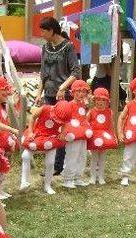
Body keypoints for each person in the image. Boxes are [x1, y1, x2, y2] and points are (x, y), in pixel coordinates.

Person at [34, 17, 81, 175]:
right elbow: (43, 73)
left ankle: (58, 165)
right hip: (48, 93)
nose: (41, 34)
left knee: (62, 128)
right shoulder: (45, 47)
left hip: (63, 96)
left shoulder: (68, 47)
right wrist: (38, 92)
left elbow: (76, 71)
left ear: (52, 30)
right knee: (49, 128)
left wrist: (62, 87)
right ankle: (50, 164)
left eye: (43, 31)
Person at [20, 100, 72, 195]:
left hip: (51, 138)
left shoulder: (64, 117)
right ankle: (24, 181)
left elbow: (65, 125)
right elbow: (32, 117)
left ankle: (47, 185)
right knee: (25, 156)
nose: (57, 121)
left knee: (50, 162)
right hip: (37, 134)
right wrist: (31, 131)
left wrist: (63, 133)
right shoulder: (45, 108)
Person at [62, 79, 92, 189]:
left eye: (83, 92)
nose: (81, 94)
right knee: (72, 155)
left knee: (81, 156)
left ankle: (78, 177)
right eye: (78, 92)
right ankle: (68, 178)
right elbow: (66, 120)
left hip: (82, 134)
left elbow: (83, 118)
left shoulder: (83, 105)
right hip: (73, 135)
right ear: (73, 93)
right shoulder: (70, 105)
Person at [87, 88, 118, 185]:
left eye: (103, 100)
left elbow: (111, 124)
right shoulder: (91, 112)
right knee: (94, 157)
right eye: (98, 99)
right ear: (94, 100)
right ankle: (92, 176)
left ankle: (101, 176)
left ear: (107, 101)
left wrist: (114, 135)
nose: (100, 102)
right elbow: (86, 123)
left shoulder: (109, 112)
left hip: (104, 136)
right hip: (94, 137)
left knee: (102, 158)